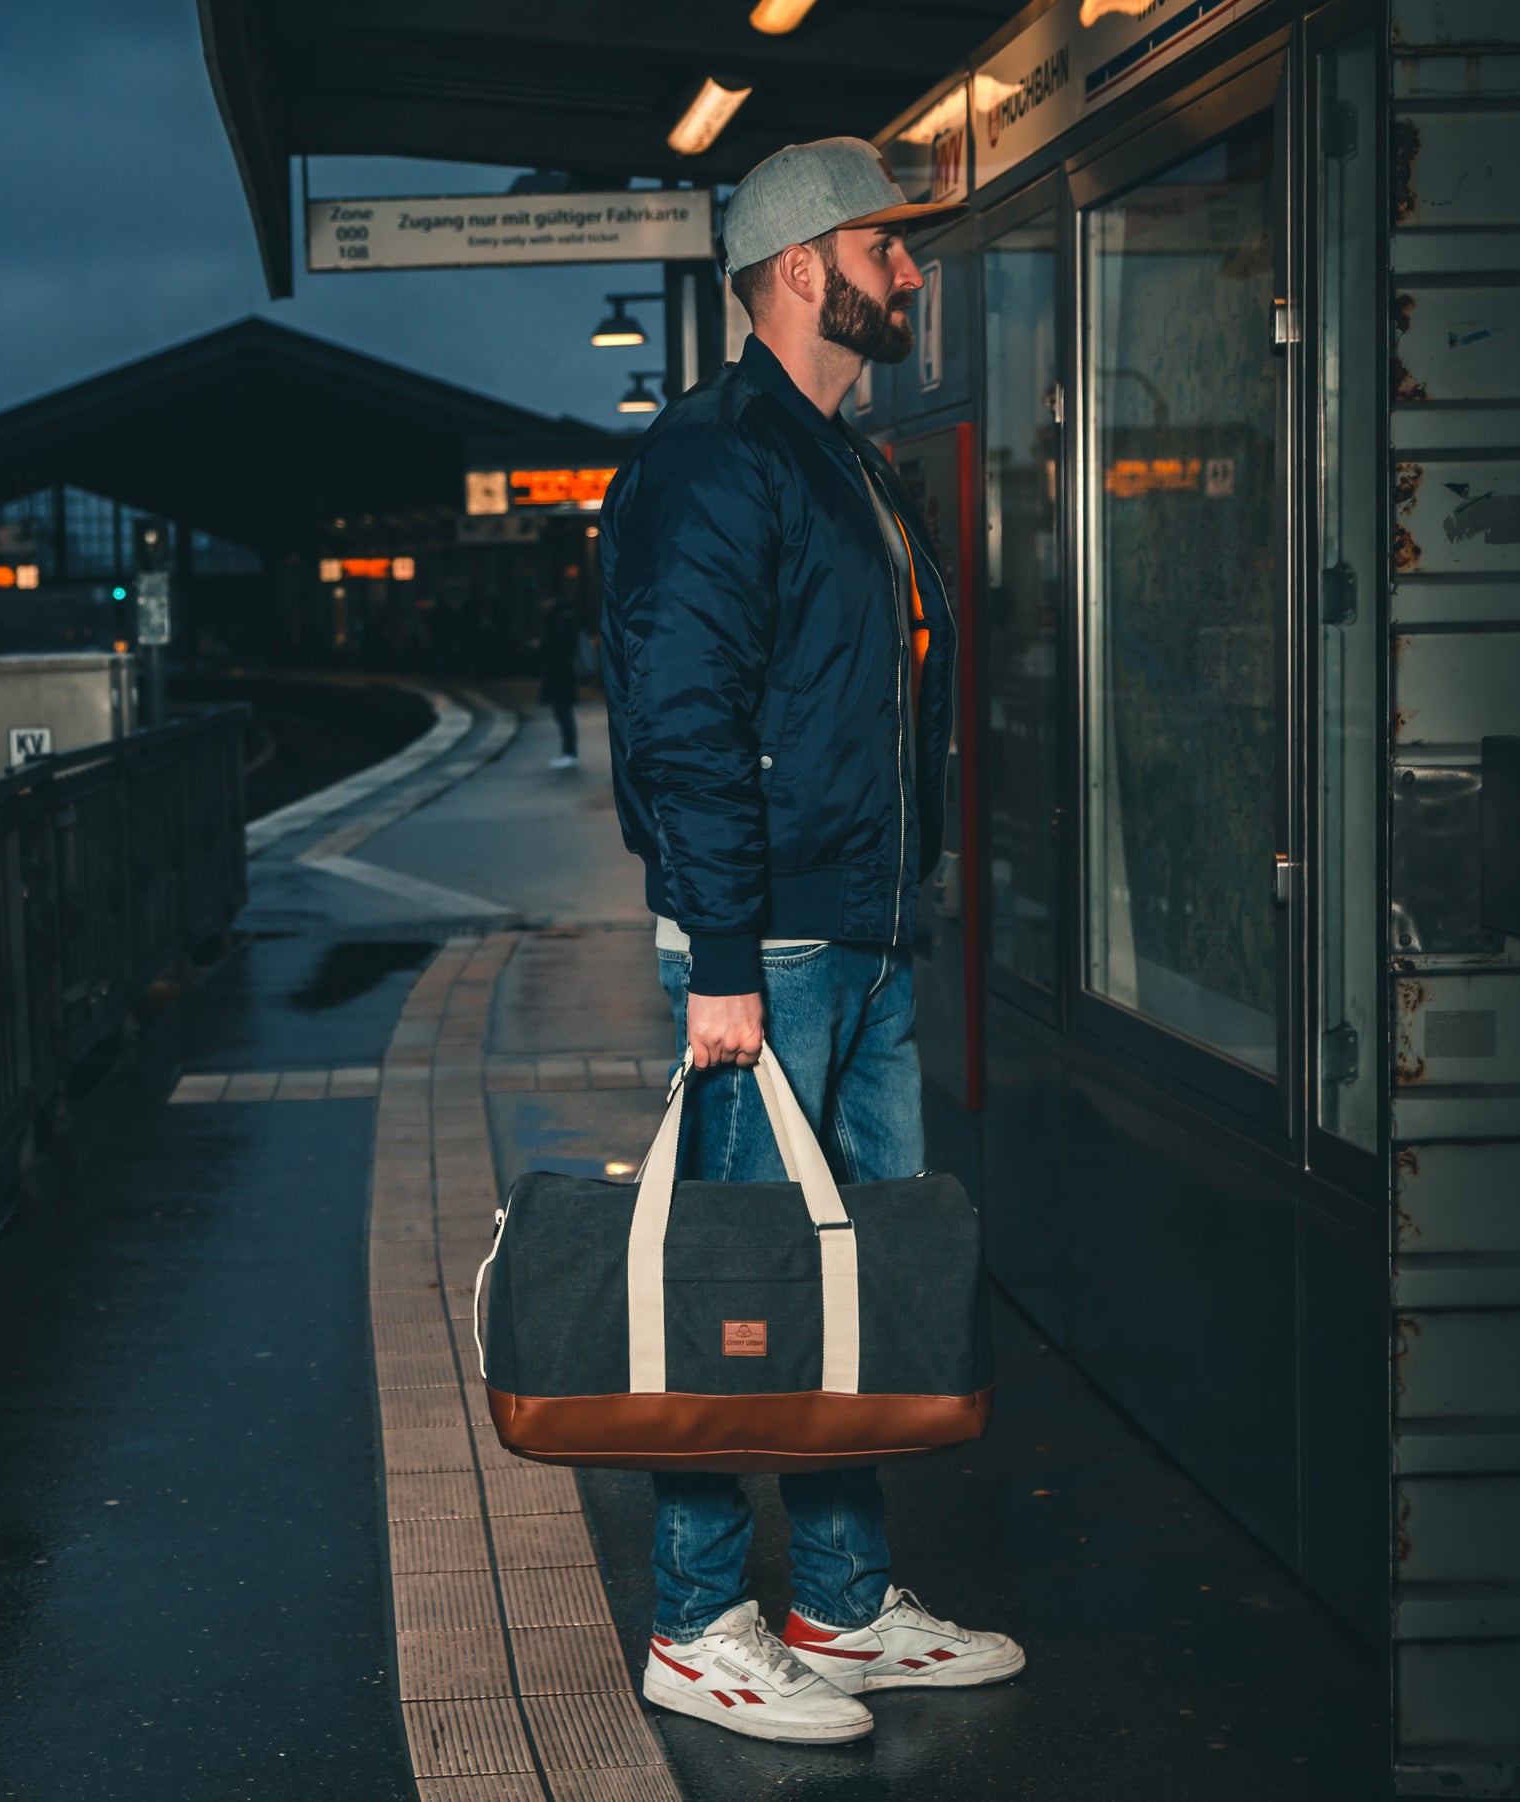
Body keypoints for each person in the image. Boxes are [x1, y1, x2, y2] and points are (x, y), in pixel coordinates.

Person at [600, 138, 1026, 1745]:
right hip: (764, 952)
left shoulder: (843, 456)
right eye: (885, 249)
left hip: (856, 930)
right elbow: (684, 720)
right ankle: (697, 1616)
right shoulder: (718, 462)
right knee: (738, 1286)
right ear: (801, 268)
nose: (909, 271)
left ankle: (841, 1603)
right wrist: (717, 956)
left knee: (846, 1283)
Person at [535, 594, 580, 769]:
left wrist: (543, 645)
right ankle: (568, 751)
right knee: (562, 713)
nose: (542, 606)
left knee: (563, 713)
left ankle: (569, 752)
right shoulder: (562, 616)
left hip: (561, 673)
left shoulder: (562, 618)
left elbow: (564, 646)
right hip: (560, 673)